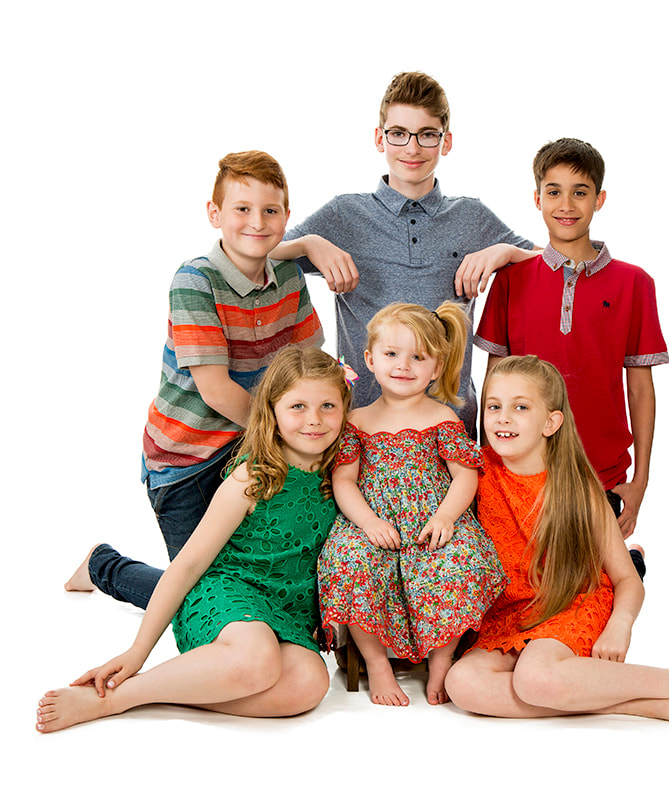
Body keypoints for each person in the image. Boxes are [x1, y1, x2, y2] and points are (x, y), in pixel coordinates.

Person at [444, 356, 669, 725]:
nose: (503, 417)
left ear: (551, 422)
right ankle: (628, 702)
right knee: (463, 684)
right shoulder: (473, 473)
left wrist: (621, 624)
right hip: (511, 615)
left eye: (520, 407)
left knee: (536, 678)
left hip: (572, 602)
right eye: (494, 406)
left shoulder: (575, 487)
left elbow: (626, 578)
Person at [38, 348, 349, 734]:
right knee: (257, 660)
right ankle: (119, 698)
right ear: (272, 412)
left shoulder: (344, 473)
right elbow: (188, 564)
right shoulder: (252, 477)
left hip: (289, 611)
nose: (314, 420)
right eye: (298, 406)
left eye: (328, 406)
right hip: (228, 594)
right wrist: (138, 651)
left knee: (310, 684)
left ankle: (178, 690)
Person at [65, 151, 324, 610]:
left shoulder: (287, 275)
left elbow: (308, 362)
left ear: (287, 215)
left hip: (251, 443)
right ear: (214, 214)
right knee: (197, 597)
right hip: (188, 458)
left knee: (256, 580)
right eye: (242, 209)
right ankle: (103, 566)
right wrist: (284, 435)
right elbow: (216, 390)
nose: (257, 222)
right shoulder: (194, 281)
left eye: (270, 211)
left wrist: (315, 421)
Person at [270, 71, 536, 435]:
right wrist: (308, 244)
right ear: (380, 138)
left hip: (450, 424)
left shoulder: (471, 217)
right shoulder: (343, 215)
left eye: (427, 135)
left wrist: (503, 251)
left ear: (446, 141)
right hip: (360, 425)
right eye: (399, 134)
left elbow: (553, 263)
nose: (412, 148)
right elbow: (260, 253)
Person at [475, 138, 668, 551]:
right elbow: (493, 381)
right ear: (537, 198)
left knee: (591, 594)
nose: (566, 204)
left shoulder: (635, 284)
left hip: (601, 472)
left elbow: (639, 388)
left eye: (580, 192)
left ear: (599, 200)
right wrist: (486, 462)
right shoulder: (510, 278)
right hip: (519, 470)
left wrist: (641, 482)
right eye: (554, 191)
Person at [317, 302, 506, 707]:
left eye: (417, 357)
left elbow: (465, 475)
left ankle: (442, 659)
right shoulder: (357, 420)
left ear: (436, 368)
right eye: (391, 354)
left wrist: (446, 516)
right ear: (369, 359)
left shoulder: (443, 417)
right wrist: (367, 522)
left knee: (461, 560)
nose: (403, 365)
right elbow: (344, 480)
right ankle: (376, 662)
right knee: (349, 560)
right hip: (373, 521)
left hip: (431, 522)